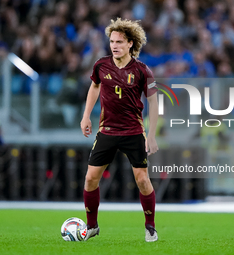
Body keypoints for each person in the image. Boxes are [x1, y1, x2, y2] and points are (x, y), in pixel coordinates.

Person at [80, 18, 159, 242]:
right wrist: (86, 116)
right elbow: (94, 86)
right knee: (90, 179)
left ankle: (150, 226)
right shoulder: (101, 65)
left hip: (134, 132)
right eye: (112, 41)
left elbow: (154, 103)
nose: (114, 45)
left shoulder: (143, 71)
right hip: (107, 131)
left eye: (119, 42)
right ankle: (92, 226)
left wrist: (151, 135)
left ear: (130, 44)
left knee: (143, 181)